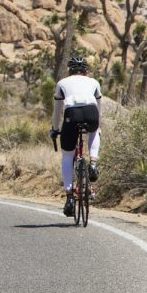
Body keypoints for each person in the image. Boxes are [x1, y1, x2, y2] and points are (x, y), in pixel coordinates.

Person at [50, 56, 102, 217]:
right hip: (92, 112)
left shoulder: (62, 83)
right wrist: (97, 124)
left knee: (67, 155)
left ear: (69, 70)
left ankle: (69, 197)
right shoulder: (94, 82)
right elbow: (98, 106)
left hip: (71, 114)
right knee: (94, 130)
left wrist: (55, 128)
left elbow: (57, 110)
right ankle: (93, 162)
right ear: (86, 71)